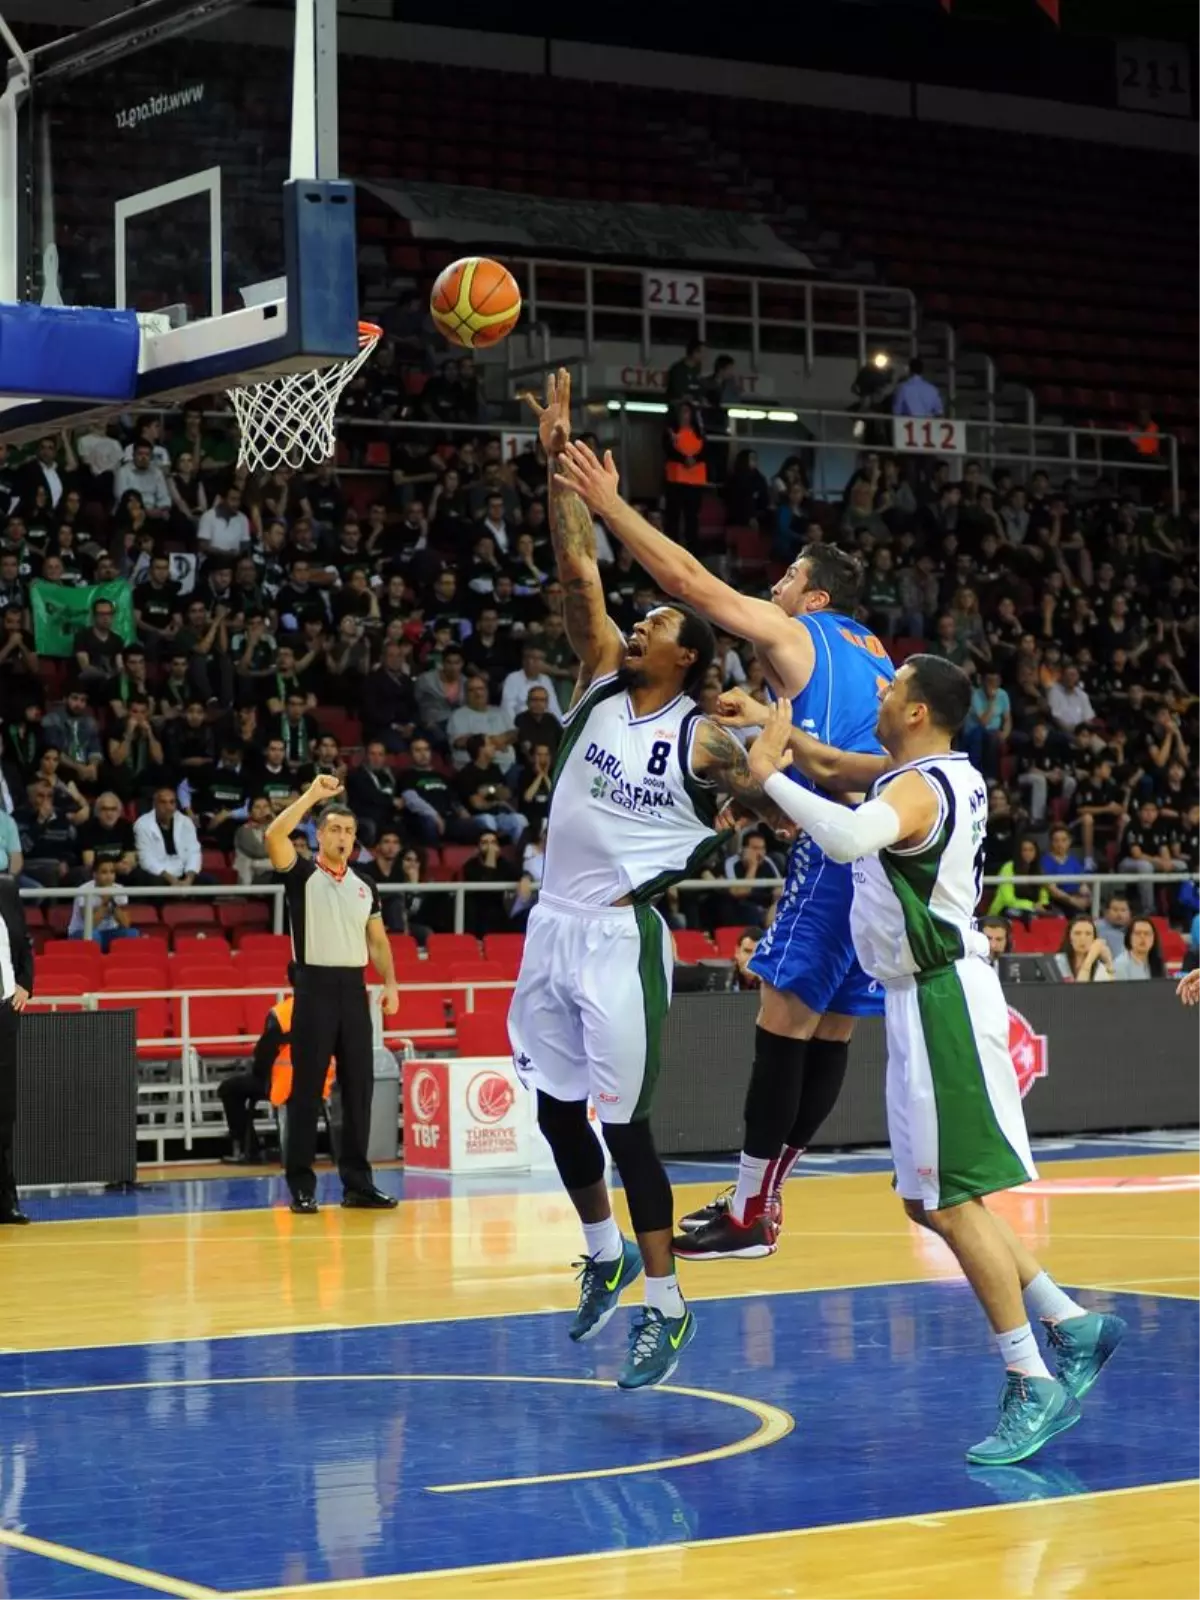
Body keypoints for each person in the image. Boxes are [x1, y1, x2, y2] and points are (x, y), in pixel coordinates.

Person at [745, 664, 1126, 1464]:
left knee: (953, 1203)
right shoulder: (927, 771)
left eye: (891, 689)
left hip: (943, 998)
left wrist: (767, 774)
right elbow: (838, 770)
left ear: (915, 711)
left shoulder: (918, 788)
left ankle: (1033, 1378)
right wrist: (767, 726)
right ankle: (1072, 1322)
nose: (878, 692)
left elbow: (846, 834)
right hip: (921, 997)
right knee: (928, 1202)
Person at [554, 415, 893, 1262]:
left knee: (782, 1022)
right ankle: (766, 1198)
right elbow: (855, 758)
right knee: (830, 1029)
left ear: (815, 598)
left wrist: (609, 506)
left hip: (841, 850)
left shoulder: (801, 633)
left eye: (787, 579)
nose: (774, 589)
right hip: (891, 850)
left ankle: (748, 1209)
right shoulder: (878, 656)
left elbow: (692, 583)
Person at [512, 371, 779, 1389]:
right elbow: (578, 570)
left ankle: (665, 1306)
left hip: (621, 940)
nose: (637, 629)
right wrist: (557, 465)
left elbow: (760, 778)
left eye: (658, 626)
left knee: (626, 1127)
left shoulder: (700, 739)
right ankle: (600, 1253)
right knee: (551, 1107)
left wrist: (776, 721)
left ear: (687, 656)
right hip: (552, 924)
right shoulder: (597, 681)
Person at [264, 774, 400, 1214]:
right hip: (315, 986)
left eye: (349, 831)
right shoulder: (302, 874)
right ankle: (301, 1185)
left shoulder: (365, 885)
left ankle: (358, 1183)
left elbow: (378, 941)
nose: (343, 837)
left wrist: (391, 983)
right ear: (319, 835)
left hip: (353, 990)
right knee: (307, 1089)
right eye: (335, 829)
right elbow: (273, 834)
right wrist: (312, 796)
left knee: (358, 1088)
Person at [218, 971, 335, 1165]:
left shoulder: (280, 1013)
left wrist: (257, 1073)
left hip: (283, 1085)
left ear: (289, 981)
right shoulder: (331, 1011)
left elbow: (264, 1054)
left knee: (228, 1089)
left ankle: (250, 1151)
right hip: (321, 1084)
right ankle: (334, 1151)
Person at [0, 874, 32, 1224]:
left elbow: (23, 943)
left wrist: (25, 984)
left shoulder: (6, 889)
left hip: (4, 1008)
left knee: (3, 1110)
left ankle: (5, 1200)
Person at [68, 857, 139, 952]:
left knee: (132, 934)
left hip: (109, 932)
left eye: (112, 872)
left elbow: (126, 924)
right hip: (80, 933)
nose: (109, 876)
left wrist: (111, 902)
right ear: (95, 874)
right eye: (104, 872)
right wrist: (105, 903)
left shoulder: (120, 889)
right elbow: (90, 925)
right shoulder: (84, 890)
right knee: (94, 936)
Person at [1054, 916, 1114, 983]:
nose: (1083, 938)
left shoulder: (1099, 968)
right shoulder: (1057, 962)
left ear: (1094, 939)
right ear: (1069, 938)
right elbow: (1077, 991)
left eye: (1088, 934)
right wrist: (1090, 959)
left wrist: (1108, 962)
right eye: (1077, 933)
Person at [1113, 917, 1164, 981]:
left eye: (1147, 933)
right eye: (1137, 933)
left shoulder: (1157, 962)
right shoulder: (1120, 964)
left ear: (1154, 938)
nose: (1142, 937)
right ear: (1129, 937)